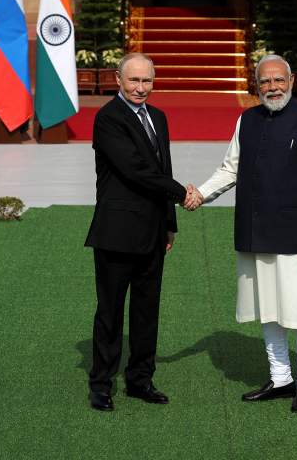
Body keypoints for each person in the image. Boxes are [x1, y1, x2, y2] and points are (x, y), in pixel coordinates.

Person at [186, 54, 297, 413]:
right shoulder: (247, 119)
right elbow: (230, 169)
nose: (273, 87)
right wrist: (200, 195)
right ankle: (281, 377)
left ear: (291, 81)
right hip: (254, 233)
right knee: (267, 308)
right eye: (265, 82)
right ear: (256, 86)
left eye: (279, 80)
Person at [84, 52, 200, 411]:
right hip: (116, 233)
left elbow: (162, 167)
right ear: (119, 80)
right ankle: (101, 384)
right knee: (111, 312)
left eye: (146, 81)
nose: (140, 88)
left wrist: (169, 223)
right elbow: (135, 171)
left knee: (147, 311)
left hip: (152, 234)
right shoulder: (107, 119)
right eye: (133, 80)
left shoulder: (159, 118)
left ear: (154, 80)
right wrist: (183, 193)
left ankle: (140, 380)